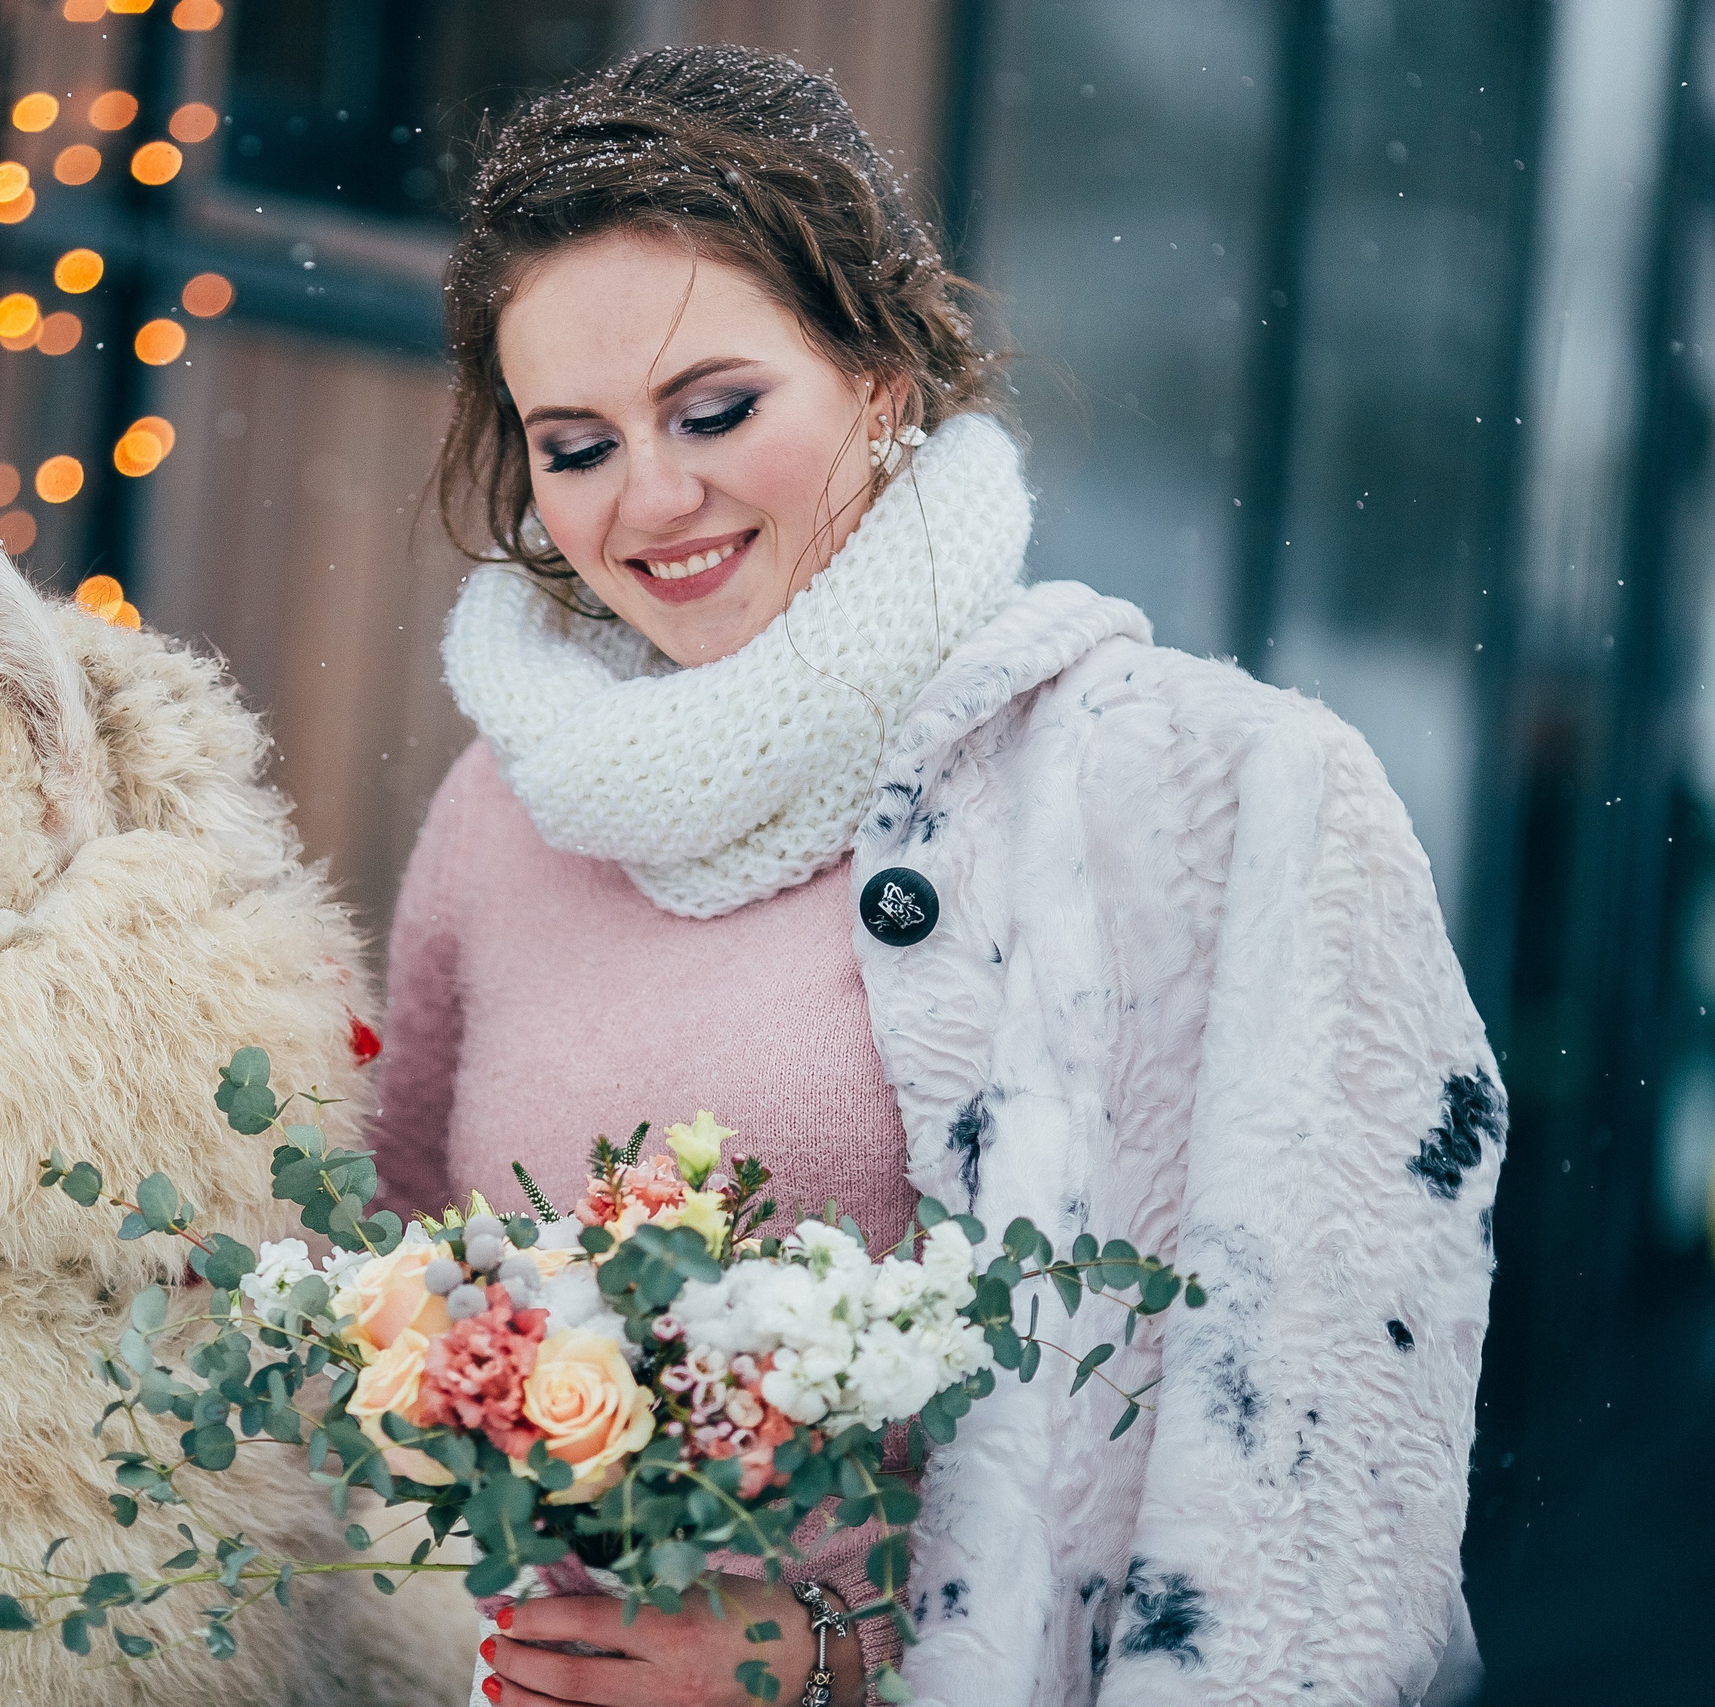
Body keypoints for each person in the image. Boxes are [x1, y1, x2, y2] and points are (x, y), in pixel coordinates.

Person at [366, 44, 1497, 1707]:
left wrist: (832, 1655)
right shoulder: (512, 806)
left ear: (882, 380)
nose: (651, 499)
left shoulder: (1154, 799)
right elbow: (393, 1298)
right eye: (576, 444)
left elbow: (1305, 1489)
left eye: (716, 410)